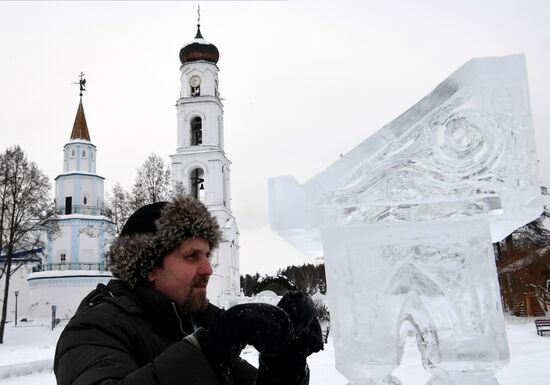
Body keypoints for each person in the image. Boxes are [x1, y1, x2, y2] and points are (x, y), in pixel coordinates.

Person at [54, 195, 323, 385]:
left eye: (207, 255)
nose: (207, 269)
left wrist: (284, 364)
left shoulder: (188, 327)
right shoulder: (94, 329)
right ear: (147, 266)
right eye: (192, 256)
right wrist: (213, 345)